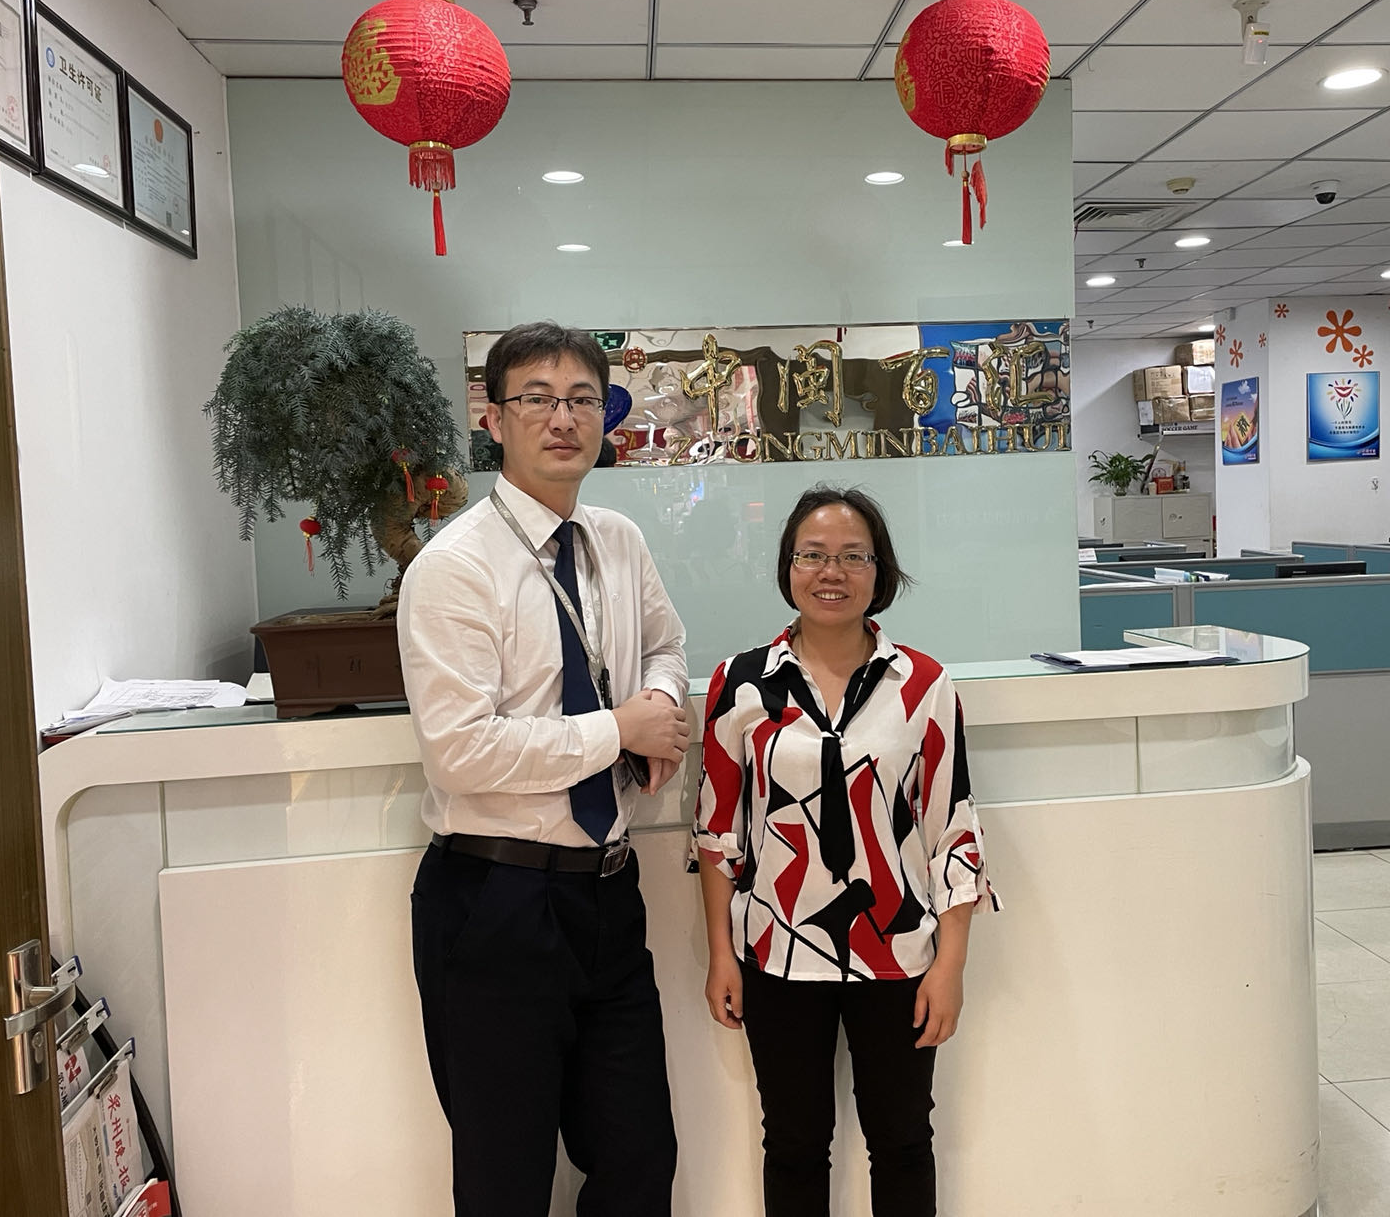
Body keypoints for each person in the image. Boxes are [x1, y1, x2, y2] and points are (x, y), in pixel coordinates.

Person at [398, 321, 692, 1217]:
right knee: (506, 1181)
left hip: (609, 894)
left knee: (640, 1161)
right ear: (493, 418)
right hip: (496, 900)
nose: (562, 419)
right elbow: (462, 749)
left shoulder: (618, 540)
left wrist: (658, 710)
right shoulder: (453, 567)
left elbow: (667, 646)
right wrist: (618, 731)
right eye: (536, 399)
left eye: (581, 400)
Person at [693, 485, 998, 1217]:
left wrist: (951, 965)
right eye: (813, 555)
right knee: (793, 1145)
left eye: (852, 557)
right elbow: (716, 833)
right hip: (775, 951)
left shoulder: (923, 684)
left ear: (878, 571)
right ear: (788, 567)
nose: (831, 572)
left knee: (902, 1140)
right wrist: (721, 955)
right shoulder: (740, 684)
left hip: (898, 951)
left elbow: (953, 828)